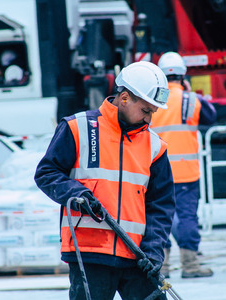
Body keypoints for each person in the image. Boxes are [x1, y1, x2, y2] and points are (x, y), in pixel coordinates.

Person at [34, 61, 175, 299]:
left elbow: (161, 205)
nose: (149, 120)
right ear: (125, 99)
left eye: (153, 112)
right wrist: (76, 194)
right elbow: (47, 173)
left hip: (137, 256)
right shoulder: (77, 127)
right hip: (90, 254)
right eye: (146, 111)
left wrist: (153, 251)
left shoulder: (155, 147)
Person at [151, 52, 217, 278]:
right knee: (187, 217)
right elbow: (211, 117)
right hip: (186, 173)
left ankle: (162, 267)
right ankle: (190, 265)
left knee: (158, 218)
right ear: (183, 76)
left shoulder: (152, 101)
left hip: (157, 173)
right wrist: (189, 93)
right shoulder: (191, 100)